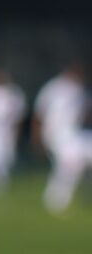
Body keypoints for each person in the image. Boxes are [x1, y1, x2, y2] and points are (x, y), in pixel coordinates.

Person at [32, 62, 92, 213]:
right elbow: (39, 114)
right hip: (56, 135)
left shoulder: (80, 91)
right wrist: (37, 138)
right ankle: (55, 203)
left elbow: (86, 114)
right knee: (70, 164)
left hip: (74, 135)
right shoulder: (53, 88)